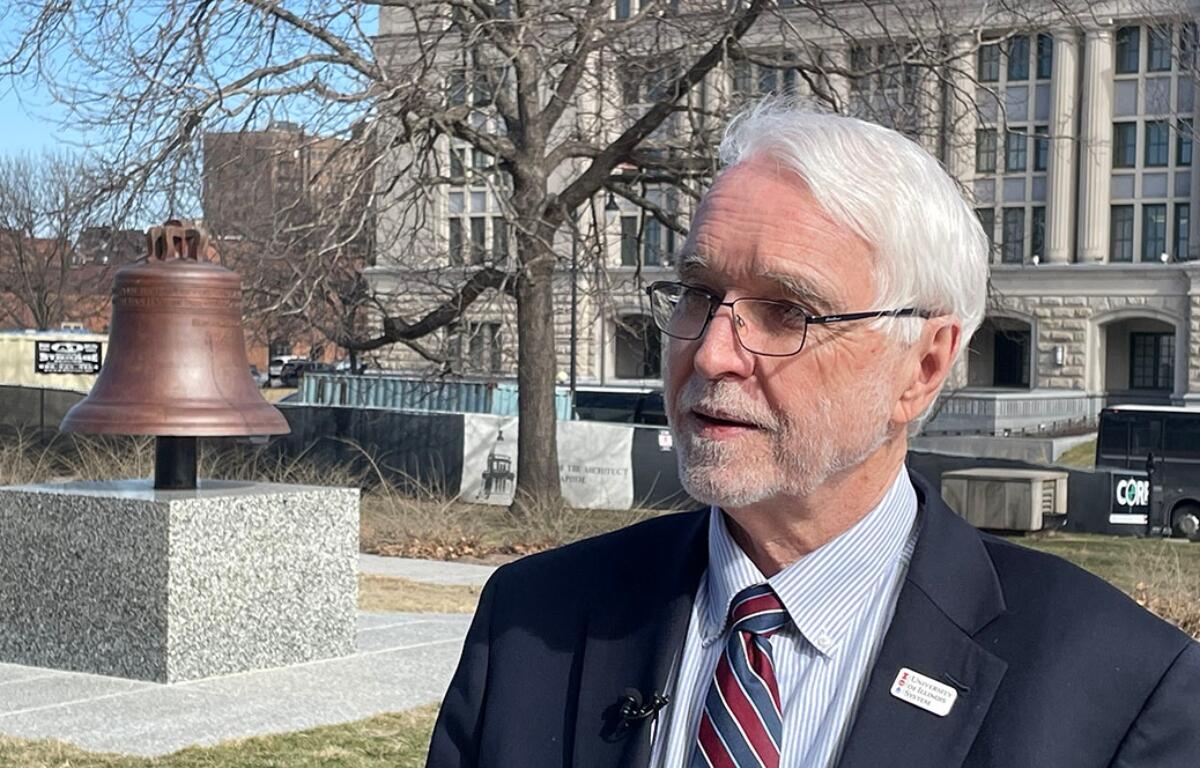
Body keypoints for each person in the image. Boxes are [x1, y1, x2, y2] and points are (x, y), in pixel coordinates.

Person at [425, 101, 1200, 768]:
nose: (713, 352)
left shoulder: (1120, 692)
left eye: (788, 311)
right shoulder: (531, 622)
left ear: (922, 368)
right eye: (698, 294)